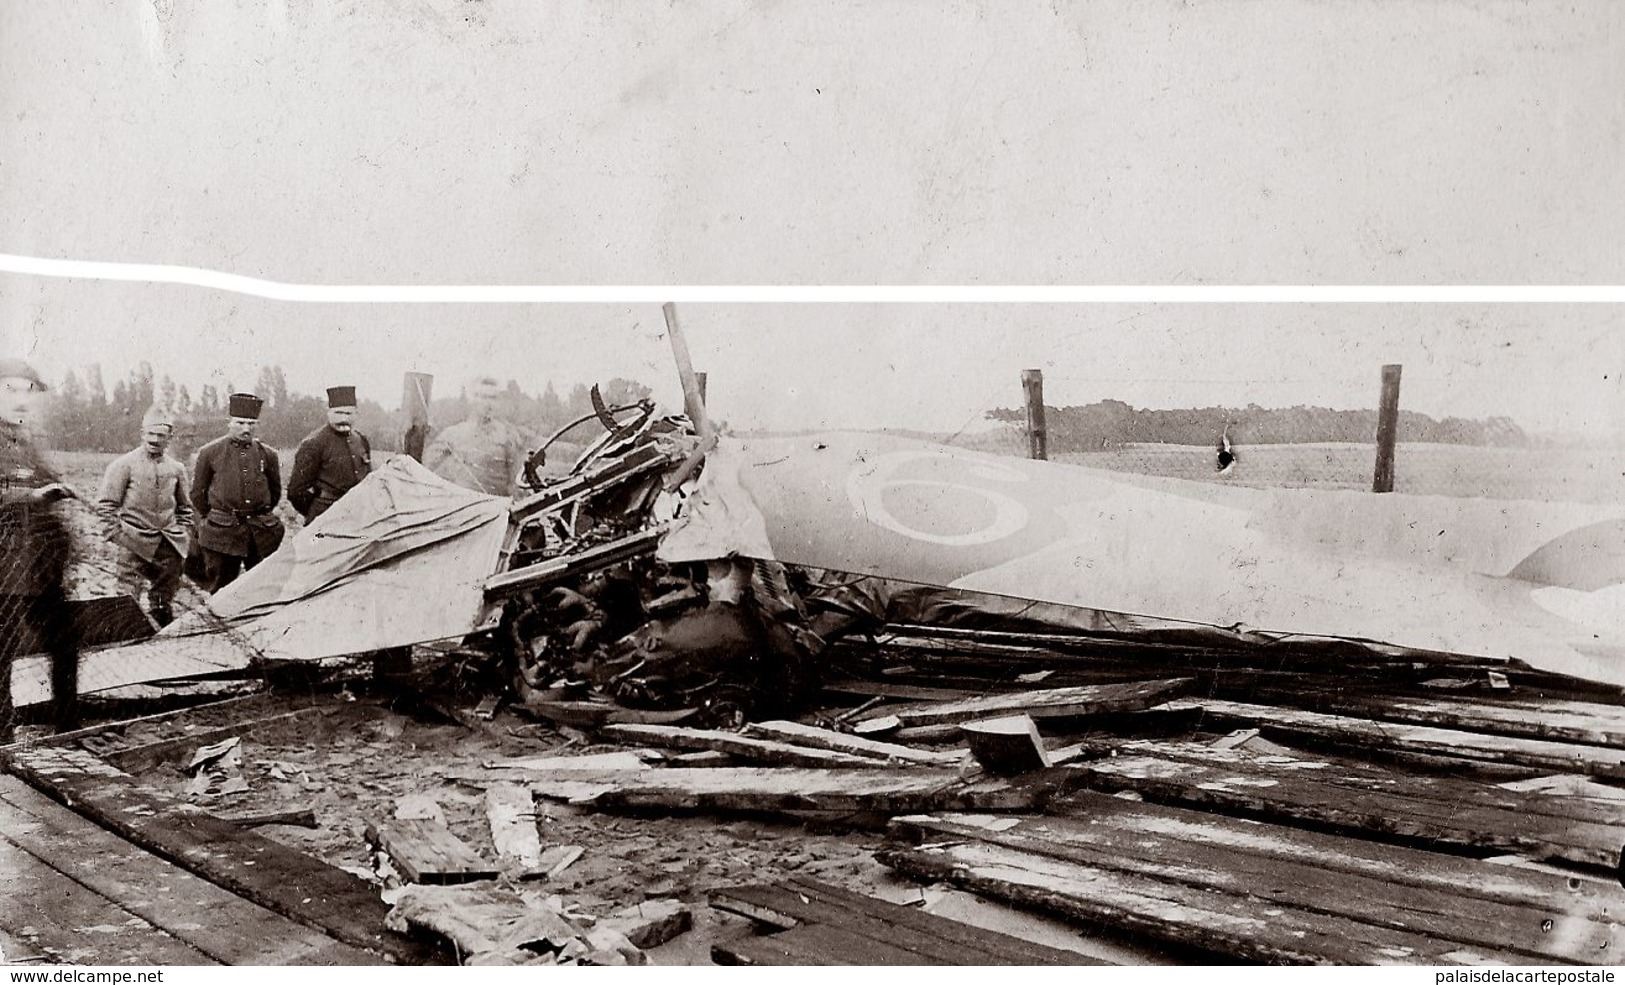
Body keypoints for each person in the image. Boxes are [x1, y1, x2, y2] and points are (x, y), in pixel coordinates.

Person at [0, 358, 81, 741]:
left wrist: (59, 489)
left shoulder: (28, 442)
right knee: (2, 656)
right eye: (9, 390)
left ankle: (68, 728)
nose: (21, 401)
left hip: (40, 568)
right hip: (3, 571)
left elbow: (48, 482)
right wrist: (32, 495)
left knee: (65, 646)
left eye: (28, 392)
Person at [95, 404, 195, 627]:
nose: (154, 439)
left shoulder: (177, 469)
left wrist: (183, 532)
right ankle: (124, 641)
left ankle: (159, 639)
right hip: (132, 543)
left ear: (170, 437)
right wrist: (119, 536)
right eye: (150, 434)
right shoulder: (123, 465)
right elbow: (105, 507)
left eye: (161, 435)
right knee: (126, 602)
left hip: (168, 544)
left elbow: (185, 508)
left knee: (162, 603)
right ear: (142, 434)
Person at [190, 392, 284, 593]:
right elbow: (198, 494)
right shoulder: (209, 452)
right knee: (221, 588)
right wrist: (218, 516)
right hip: (222, 533)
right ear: (229, 422)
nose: (246, 429)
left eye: (251, 424)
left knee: (261, 587)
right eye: (240, 423)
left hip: (259, 533)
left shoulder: (268, 454)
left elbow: (274, 492)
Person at [423, 375, 528, 496]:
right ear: (473, 400)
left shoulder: (508, 436)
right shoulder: (453, 434)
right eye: (483, 397)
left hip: (497, 509)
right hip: (465, 508)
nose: (488, 403)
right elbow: (424, 469)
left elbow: (516, 481)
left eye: (493, 398)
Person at [288, 385, 372, 524]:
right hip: (326, 517)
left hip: (358, 516)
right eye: (338, 413)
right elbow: (296, 492)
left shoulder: (361, 440)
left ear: (357, 414)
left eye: (348, 414)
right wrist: (316, 512)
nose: (344, 419)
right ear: (328, 413)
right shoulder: (314, 443)